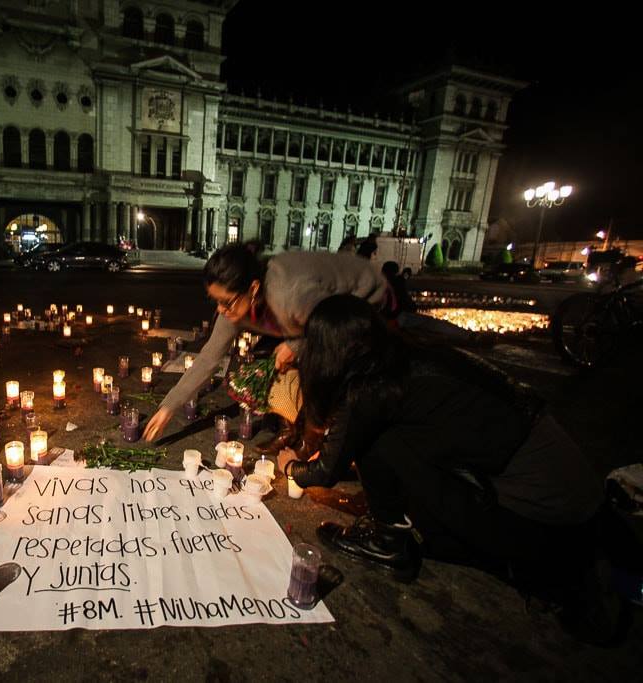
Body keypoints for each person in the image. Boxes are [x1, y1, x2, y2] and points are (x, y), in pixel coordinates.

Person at [277, 294, 626, 643]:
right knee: (387, 440)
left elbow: (326, 471)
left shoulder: (371, 388)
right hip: (573, 488)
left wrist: (292, 467)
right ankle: (397, 531)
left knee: (378, 441)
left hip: (541, 510)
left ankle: (388, 540)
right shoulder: (403, 356)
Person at [141, 244, 388, 443]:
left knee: (324, 371)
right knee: (270, 365)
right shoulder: (236, 305)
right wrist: (168, 407)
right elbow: (209, 358)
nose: (220, 310)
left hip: (365, 298)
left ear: (254, 288)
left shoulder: (289, 295)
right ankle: (293, 427)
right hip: (309, 317)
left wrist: (296, 345)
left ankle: (325, 443)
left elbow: (334, 324)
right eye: (215, 302)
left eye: (225, 302)